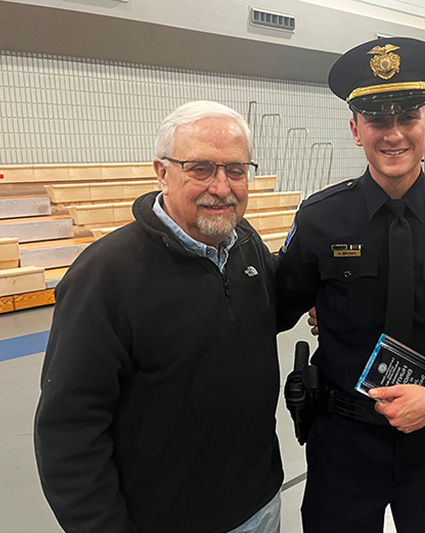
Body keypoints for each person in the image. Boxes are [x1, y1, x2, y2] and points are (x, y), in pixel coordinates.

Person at [275, 37, 425, 533]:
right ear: (356, 129)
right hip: (343, 441)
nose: (394, 133)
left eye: (407, 116)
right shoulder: (320, 219)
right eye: (378, 119)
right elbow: (273, 306)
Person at [34, 101, 283, 533]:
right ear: (162, 172)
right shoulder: (106, 276)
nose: (222, 187)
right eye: (201, 168)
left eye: (236, 170)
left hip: (260, 504)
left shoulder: (247, 245)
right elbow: (69, 428)